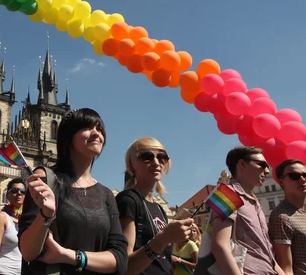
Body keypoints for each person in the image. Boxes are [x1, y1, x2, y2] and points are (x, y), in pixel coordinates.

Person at [19, 108, 128, 274]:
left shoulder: (106, 195)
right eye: (87, 127)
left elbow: (120, 259)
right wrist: (46, 214)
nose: (96, 133)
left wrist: (69, 256)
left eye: (99, 129)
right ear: (69, 138)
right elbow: (28, 252)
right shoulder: (46, 178)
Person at [116, 137, 194, 275]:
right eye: (147, 156)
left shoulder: (159, 208)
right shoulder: (128, 200)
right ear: (131, 165)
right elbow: (125, 266)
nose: (156, 162)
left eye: (162, 156)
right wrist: (163, 238)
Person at [207, 146, 284, 275]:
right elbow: (219, 245)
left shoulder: (254, 201)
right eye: (262, 165)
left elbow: (264, 250)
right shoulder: (226, 193)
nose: (266, 170)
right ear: (242, 164)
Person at [269, 159, 306, 275]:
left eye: (305, 175)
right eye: (294, 176)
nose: (302, 179)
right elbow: (286, 268)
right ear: (281, 182)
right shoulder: (281, 217)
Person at [0, 177, 25, 275]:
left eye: (23, 191)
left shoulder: (26, 219)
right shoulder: (2, 216)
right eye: (15, 191)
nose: (19, 194)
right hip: (3, 271)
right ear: (8, 195)